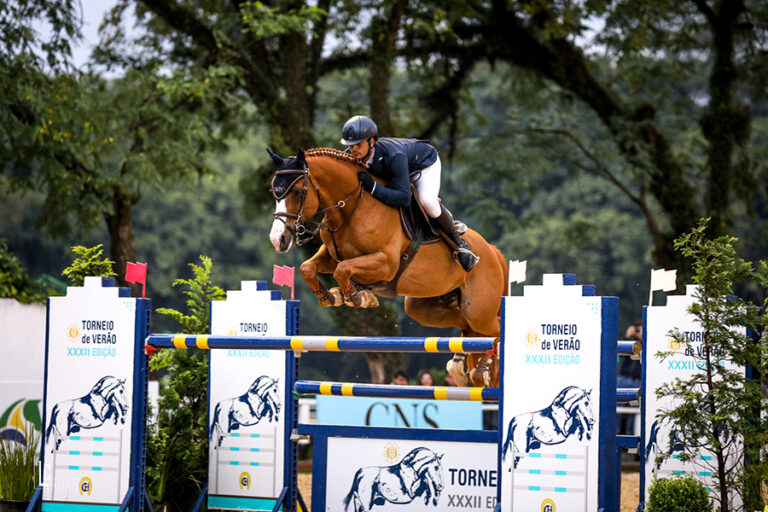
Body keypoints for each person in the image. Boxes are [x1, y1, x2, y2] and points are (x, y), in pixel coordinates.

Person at [340, 115, 479, 272]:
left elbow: (403, 198)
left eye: (357, 145)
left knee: (427, 201)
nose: (353, 150)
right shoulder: (353, 154)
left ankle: (460, 244)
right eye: (350, 146)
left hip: (422, 167)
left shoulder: (393, 155)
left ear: (371, 142)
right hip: (397, 172)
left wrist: (373, 187)